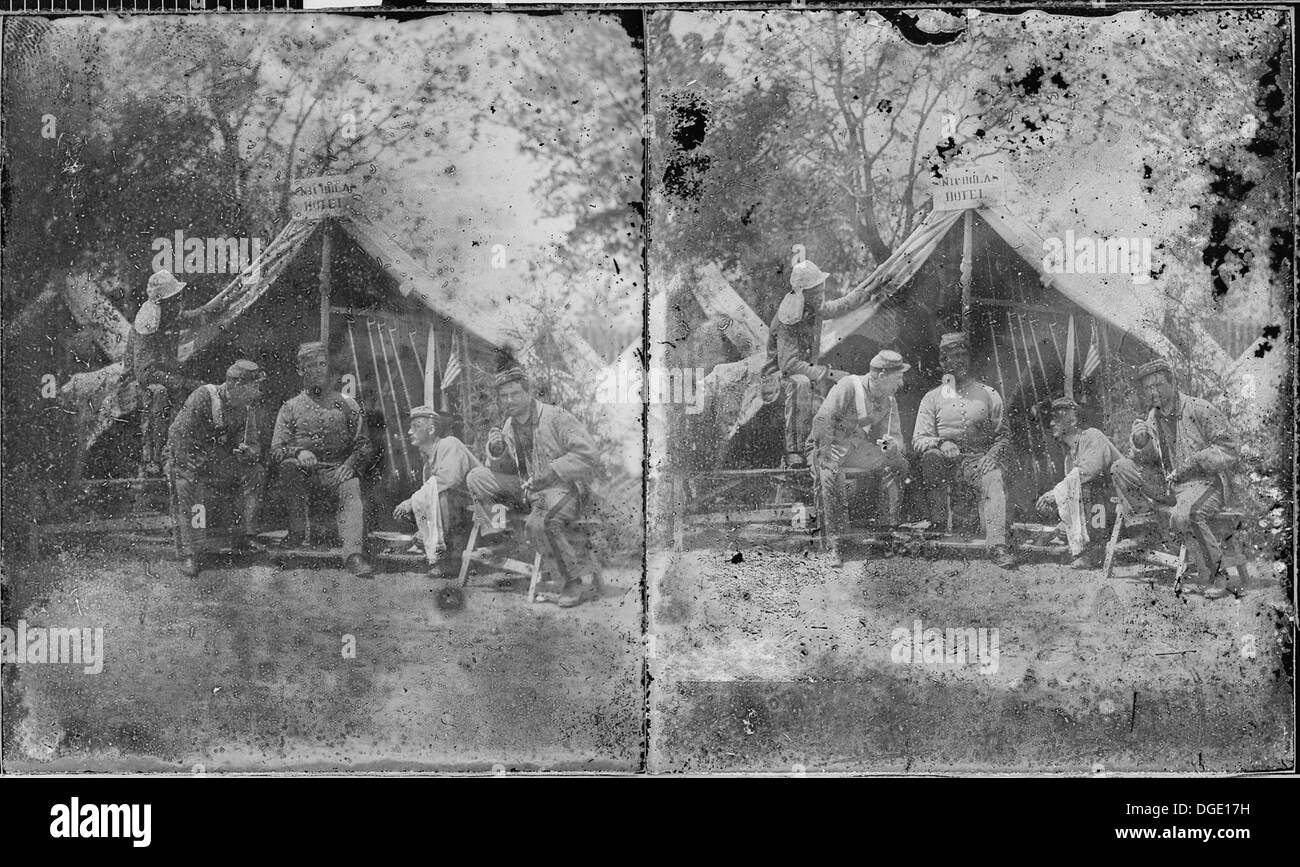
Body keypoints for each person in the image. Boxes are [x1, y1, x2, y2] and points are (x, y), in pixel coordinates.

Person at [465, 367, 600, 608]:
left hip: (562, 489)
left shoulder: (555, 417)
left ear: (528, 393)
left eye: (515, 394)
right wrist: (497, 451)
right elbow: (506, 470)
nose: (509, 400)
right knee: (476, 476)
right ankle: (496, 533)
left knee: (540, 522)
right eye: (504, 396)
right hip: (527, 490)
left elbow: (589, 455)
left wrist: (553, 470)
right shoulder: (508, 426)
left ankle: (572, 581)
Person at [1109, 359, 1240, 598]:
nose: (1153, 392)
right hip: (1170, 487)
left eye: (1158, 385)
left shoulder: (1199, 408)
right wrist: (1140, 443)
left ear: (1172, 382)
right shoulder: (1152, 418)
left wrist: (1198, 461)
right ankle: (1146, 530)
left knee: (1188, 513)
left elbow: (1230, 448)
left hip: (1205, 484)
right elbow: (1147, 462)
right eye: (1148, 388)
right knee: (1120, 468)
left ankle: (1215, 577)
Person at [271, 342, 374, 577]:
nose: (318, 371)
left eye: (322, 365)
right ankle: (296, 535)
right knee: (288, 467)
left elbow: (364, 444)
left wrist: (350, 465)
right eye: (311, 366)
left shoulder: (347, 404)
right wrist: (297, 452)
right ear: (300, 371)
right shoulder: (290, 408)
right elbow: (276, 449)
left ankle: (354, 555)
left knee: (352, 485)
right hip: (303, 473)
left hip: (337, 471)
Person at [912, 332, 1015, 568]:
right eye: (949, 357)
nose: (956, 362)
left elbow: (1004, 435)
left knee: (994, 476)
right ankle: (938, 526)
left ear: (968, 359)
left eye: (961, 356)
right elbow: (918, 439)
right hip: (944, 460)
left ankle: (996, 544)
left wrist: (992, 455)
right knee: (930, 457)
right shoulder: (932, 398)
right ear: (942, 363)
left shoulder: (988, 394)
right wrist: (939, 443)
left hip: (978, 459)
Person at [806, 350, 912, 568]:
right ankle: (837, 543)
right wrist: (828, 458)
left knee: (898, 464)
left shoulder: (888, 401)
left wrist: (891, 447)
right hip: (825, 444)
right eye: (898, 376)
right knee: (830, 474)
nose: (901, 382)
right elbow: (822, 422)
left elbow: (896, 437)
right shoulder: (849, 386)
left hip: (855, 448)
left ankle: (885, 533)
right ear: (882, 376)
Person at [165, 360, 268, 578]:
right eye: (253, 387)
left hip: (215, 461)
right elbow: (177, 434)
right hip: (186, 458)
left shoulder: (245, 408)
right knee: (189, 485)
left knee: (255, 472)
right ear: (236, 385)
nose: (257, 393)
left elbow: (252, 444)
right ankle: (190, 552)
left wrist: (248, 452)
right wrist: (187, 466)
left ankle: (244, 536)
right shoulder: (204, 396)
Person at [762, 260, 850, 468]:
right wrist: (829, 374)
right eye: (816, 290)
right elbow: (789, 365)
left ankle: (824, 448)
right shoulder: (787, 318)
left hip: (804, 372)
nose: (822, 294)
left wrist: (866, 292)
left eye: (822, 289)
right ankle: (794, 450)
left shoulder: (813, 309)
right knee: (800, 383)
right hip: (777, 378)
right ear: (805, 293)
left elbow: (839, 307)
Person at [123, 271, 204, 477]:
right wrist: (181, 382)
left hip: (166, 375)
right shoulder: (147, 325)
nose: (178, 301)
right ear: (164, 302)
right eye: (174, 298)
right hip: (144, 382)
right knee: (159, 394)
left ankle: (179, 452)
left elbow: (187, 317)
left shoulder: (166, 314)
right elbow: (145, 373)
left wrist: (213, 307)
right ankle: (154, 456)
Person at [1034, 396, 1124, 569]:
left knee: (1089, 485)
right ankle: (1088, 544)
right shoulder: (1069, 457)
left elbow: (1089, 472)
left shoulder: (1092, 436)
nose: (1052, 423)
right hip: (1102, 512)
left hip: (1117, 506)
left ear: (1073, 419)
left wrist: (1055, 493)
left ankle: (1095, 551)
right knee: (1060, 529)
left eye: (1057, 418)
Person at [393, 405, 481, 578]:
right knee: (434, 495)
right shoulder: (427, 466)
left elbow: (450, 480)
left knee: (443, 494)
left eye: (415, 426)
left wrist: (410, 502)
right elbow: (428, 494)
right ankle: (440, 552)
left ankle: (453, 559)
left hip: (480, 503)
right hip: (461, 509)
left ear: (431, 429)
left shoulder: (450, 444)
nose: (410, 432)